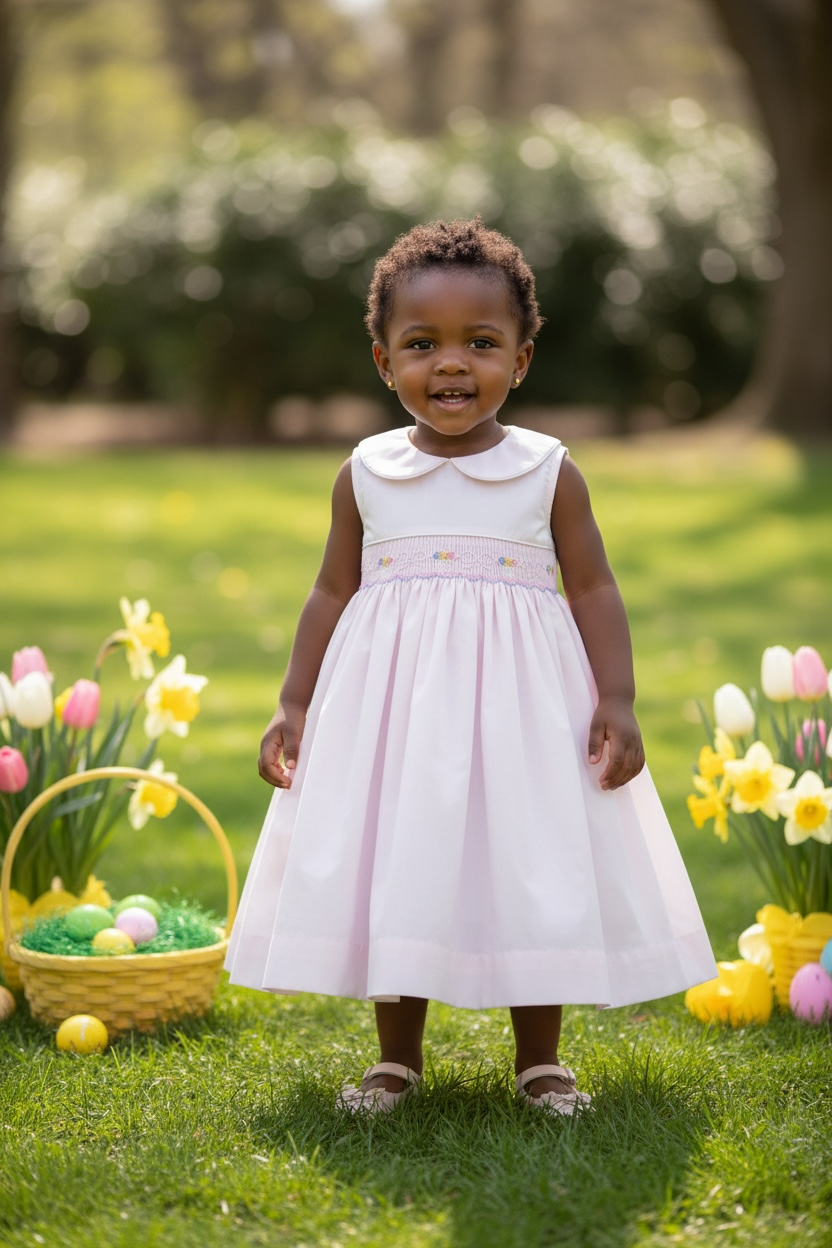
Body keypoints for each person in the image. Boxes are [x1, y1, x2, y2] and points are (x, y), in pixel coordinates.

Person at [224, 217, 716, 1116]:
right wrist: (295, 701)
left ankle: (541, 1061)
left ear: (522, 360)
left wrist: (617, 698)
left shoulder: (547, 472)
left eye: (481, 344)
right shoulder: (366, 474)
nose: (451, 365)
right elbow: (330, 593)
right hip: (395, 715)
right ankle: (395, 1060)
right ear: (384, 362)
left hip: (523, 712)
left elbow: (595, 586)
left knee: (533, 856)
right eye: (423, 345)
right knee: (396, 857)